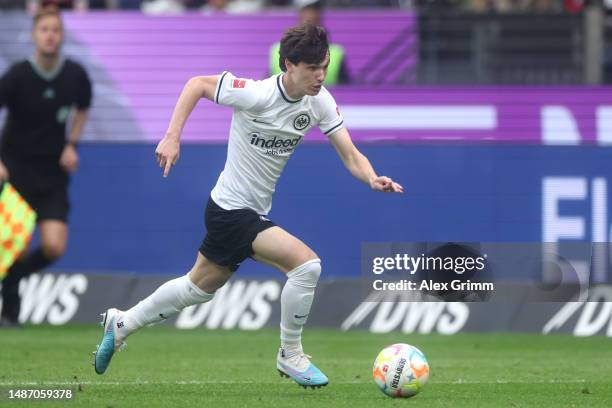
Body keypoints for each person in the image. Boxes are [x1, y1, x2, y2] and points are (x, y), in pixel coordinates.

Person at [93, 23, 403, 388]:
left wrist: (370, 177)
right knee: (307, 266)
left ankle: (122, 322)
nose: (321, 75)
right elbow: (196, 85)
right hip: (230, 210)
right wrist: (172, 136)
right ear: (289, 64)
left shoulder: (319, 102)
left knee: (198, 287)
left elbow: (350, 153)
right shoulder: (256, 94)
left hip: (247, 212)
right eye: (312, 68)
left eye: (325, 65)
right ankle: (291, 354)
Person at [0, 6, 92, 327]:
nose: (50, 35)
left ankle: (9, 281)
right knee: (16, 246)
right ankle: (10, 311)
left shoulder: (75, 75)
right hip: (16, 169)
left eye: (55, 30)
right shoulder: (17, 76)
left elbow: (83, 107)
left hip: (52, 173)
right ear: (34, 35)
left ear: (62, 35)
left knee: (54, 245)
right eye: (44, 30)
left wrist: (72, 144)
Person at [269, 0, 350, 85]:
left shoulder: (336, 52)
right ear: (300, 16)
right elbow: (270, 87)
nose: (310, 15)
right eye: (306, 10)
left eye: (314, 10)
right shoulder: (277, 50)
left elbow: (345, 88)